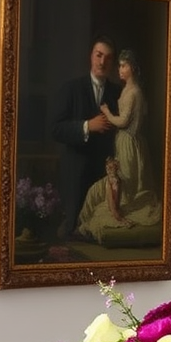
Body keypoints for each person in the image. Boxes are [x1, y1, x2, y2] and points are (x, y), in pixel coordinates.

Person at [77, 49, 161, 243]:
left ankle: (112, 214)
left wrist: (106, 111)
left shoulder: (134, 92)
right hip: (126, 143)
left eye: (124, 66)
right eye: (120, 65)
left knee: (123, 187)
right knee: (116, 184)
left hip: (129, 144)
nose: (120, 69)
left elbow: (123, 121)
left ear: (132, 68)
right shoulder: (128, 89)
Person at [51, 35, 121, 238]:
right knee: (73, 231)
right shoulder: (72, 88)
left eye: (108, 58)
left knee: (101, 231)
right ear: (91, 56)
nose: (102, 62)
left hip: (105, 175)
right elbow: (56, 129)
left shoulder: (119, 93)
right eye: (99, 55)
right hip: (76, 175)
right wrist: (87, 126)